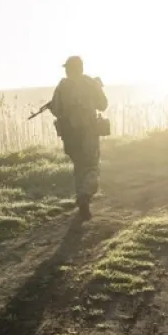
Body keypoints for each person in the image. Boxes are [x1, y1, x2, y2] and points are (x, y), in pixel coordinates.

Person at [48, 55, 109, 220]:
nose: (66, 71)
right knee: (92, 167)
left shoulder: (62, 86)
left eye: (67, 68)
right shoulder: (90, 83)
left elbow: (56, 110)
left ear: (70, 69)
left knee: (79, 167)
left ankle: (82, 200)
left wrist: (54, 106)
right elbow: (103, 105)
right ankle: (85, 196)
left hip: (70, 135)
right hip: (89, 133)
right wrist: (98, 87)